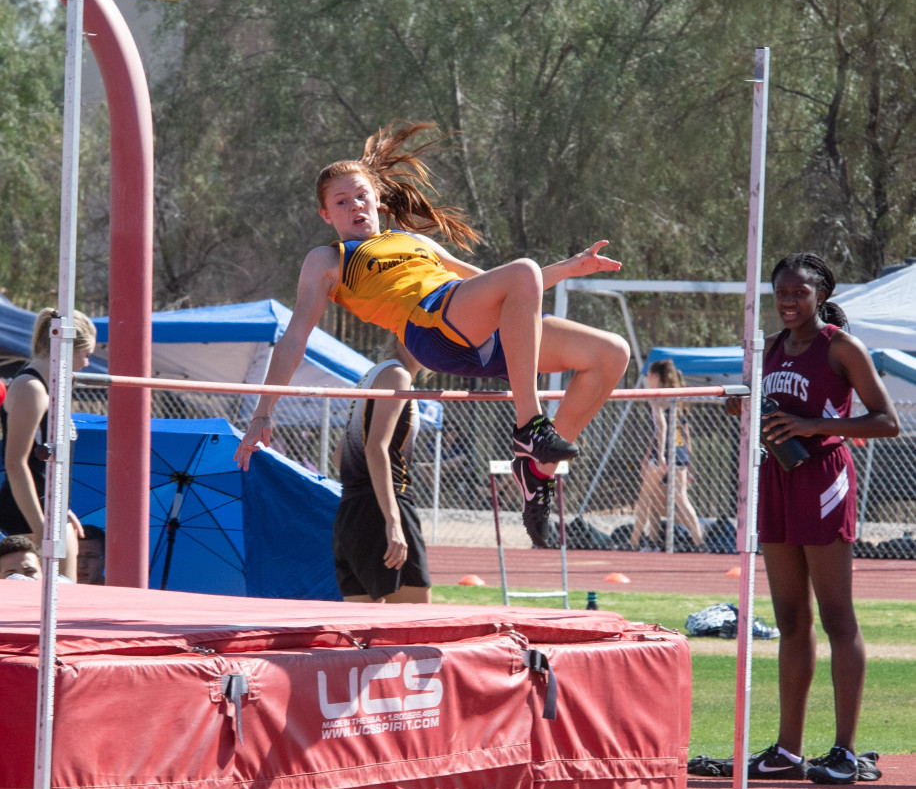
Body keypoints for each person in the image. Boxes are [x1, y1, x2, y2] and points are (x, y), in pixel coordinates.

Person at [234, 121, 630, 547]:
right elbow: (295, 337)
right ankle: (530, 427)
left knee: (611, 353)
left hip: (485, 327)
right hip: (433, 327)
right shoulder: (328, 259)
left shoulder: (414, 242)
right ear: (326, 214)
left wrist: (570, 268)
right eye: (341, 202)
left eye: (361, 196)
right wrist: (263, 412)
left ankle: (535, 471)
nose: (355, 206)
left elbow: (506, 285)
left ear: (379, 199)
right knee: (523, 271)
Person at [726, 252, 898, 785]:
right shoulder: (772, 348)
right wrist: (743, 407)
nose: (789, 301)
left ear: (820, 295)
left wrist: (808, 425)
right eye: (782, 293)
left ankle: (845, 751)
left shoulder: (841, 347)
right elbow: (763, 408)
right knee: (790, 620)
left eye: (799, 292)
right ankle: (788, 749)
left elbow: (887, 421)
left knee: (836, 617)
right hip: (776, 480)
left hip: (824, 478)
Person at [0, 308, 96, 582]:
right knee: (40, 609)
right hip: (28, 515)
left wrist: (61, 507)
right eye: (86, 354)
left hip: (50, 509)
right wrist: (40, 528)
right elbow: (16, 463)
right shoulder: (31, 389)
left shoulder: (52, 389)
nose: (87, 363)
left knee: (64, 605)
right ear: (65, 346)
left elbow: (43, 461)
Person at [331, 342, 431, 603]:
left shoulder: (375, 375)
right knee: (415, 624)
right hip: (383, 507)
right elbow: (376, 448)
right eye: (427, 333)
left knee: (362, 633)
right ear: (402, 335)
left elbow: (339, 455)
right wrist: (393, 521)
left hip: (353, 512)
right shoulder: (396, 375)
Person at [629, 359, 704, 551]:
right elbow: (683, 435)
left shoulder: (656, 397)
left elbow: (661, 427)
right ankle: (699, 542)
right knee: (679, 498)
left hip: (664, 453)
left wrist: (659, 456)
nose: (646, 379)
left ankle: (632, 543)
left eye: (647, 376)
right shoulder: (675, 398)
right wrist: (688, 463)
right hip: (679, 454)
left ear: (654, 376)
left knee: (645, 498)